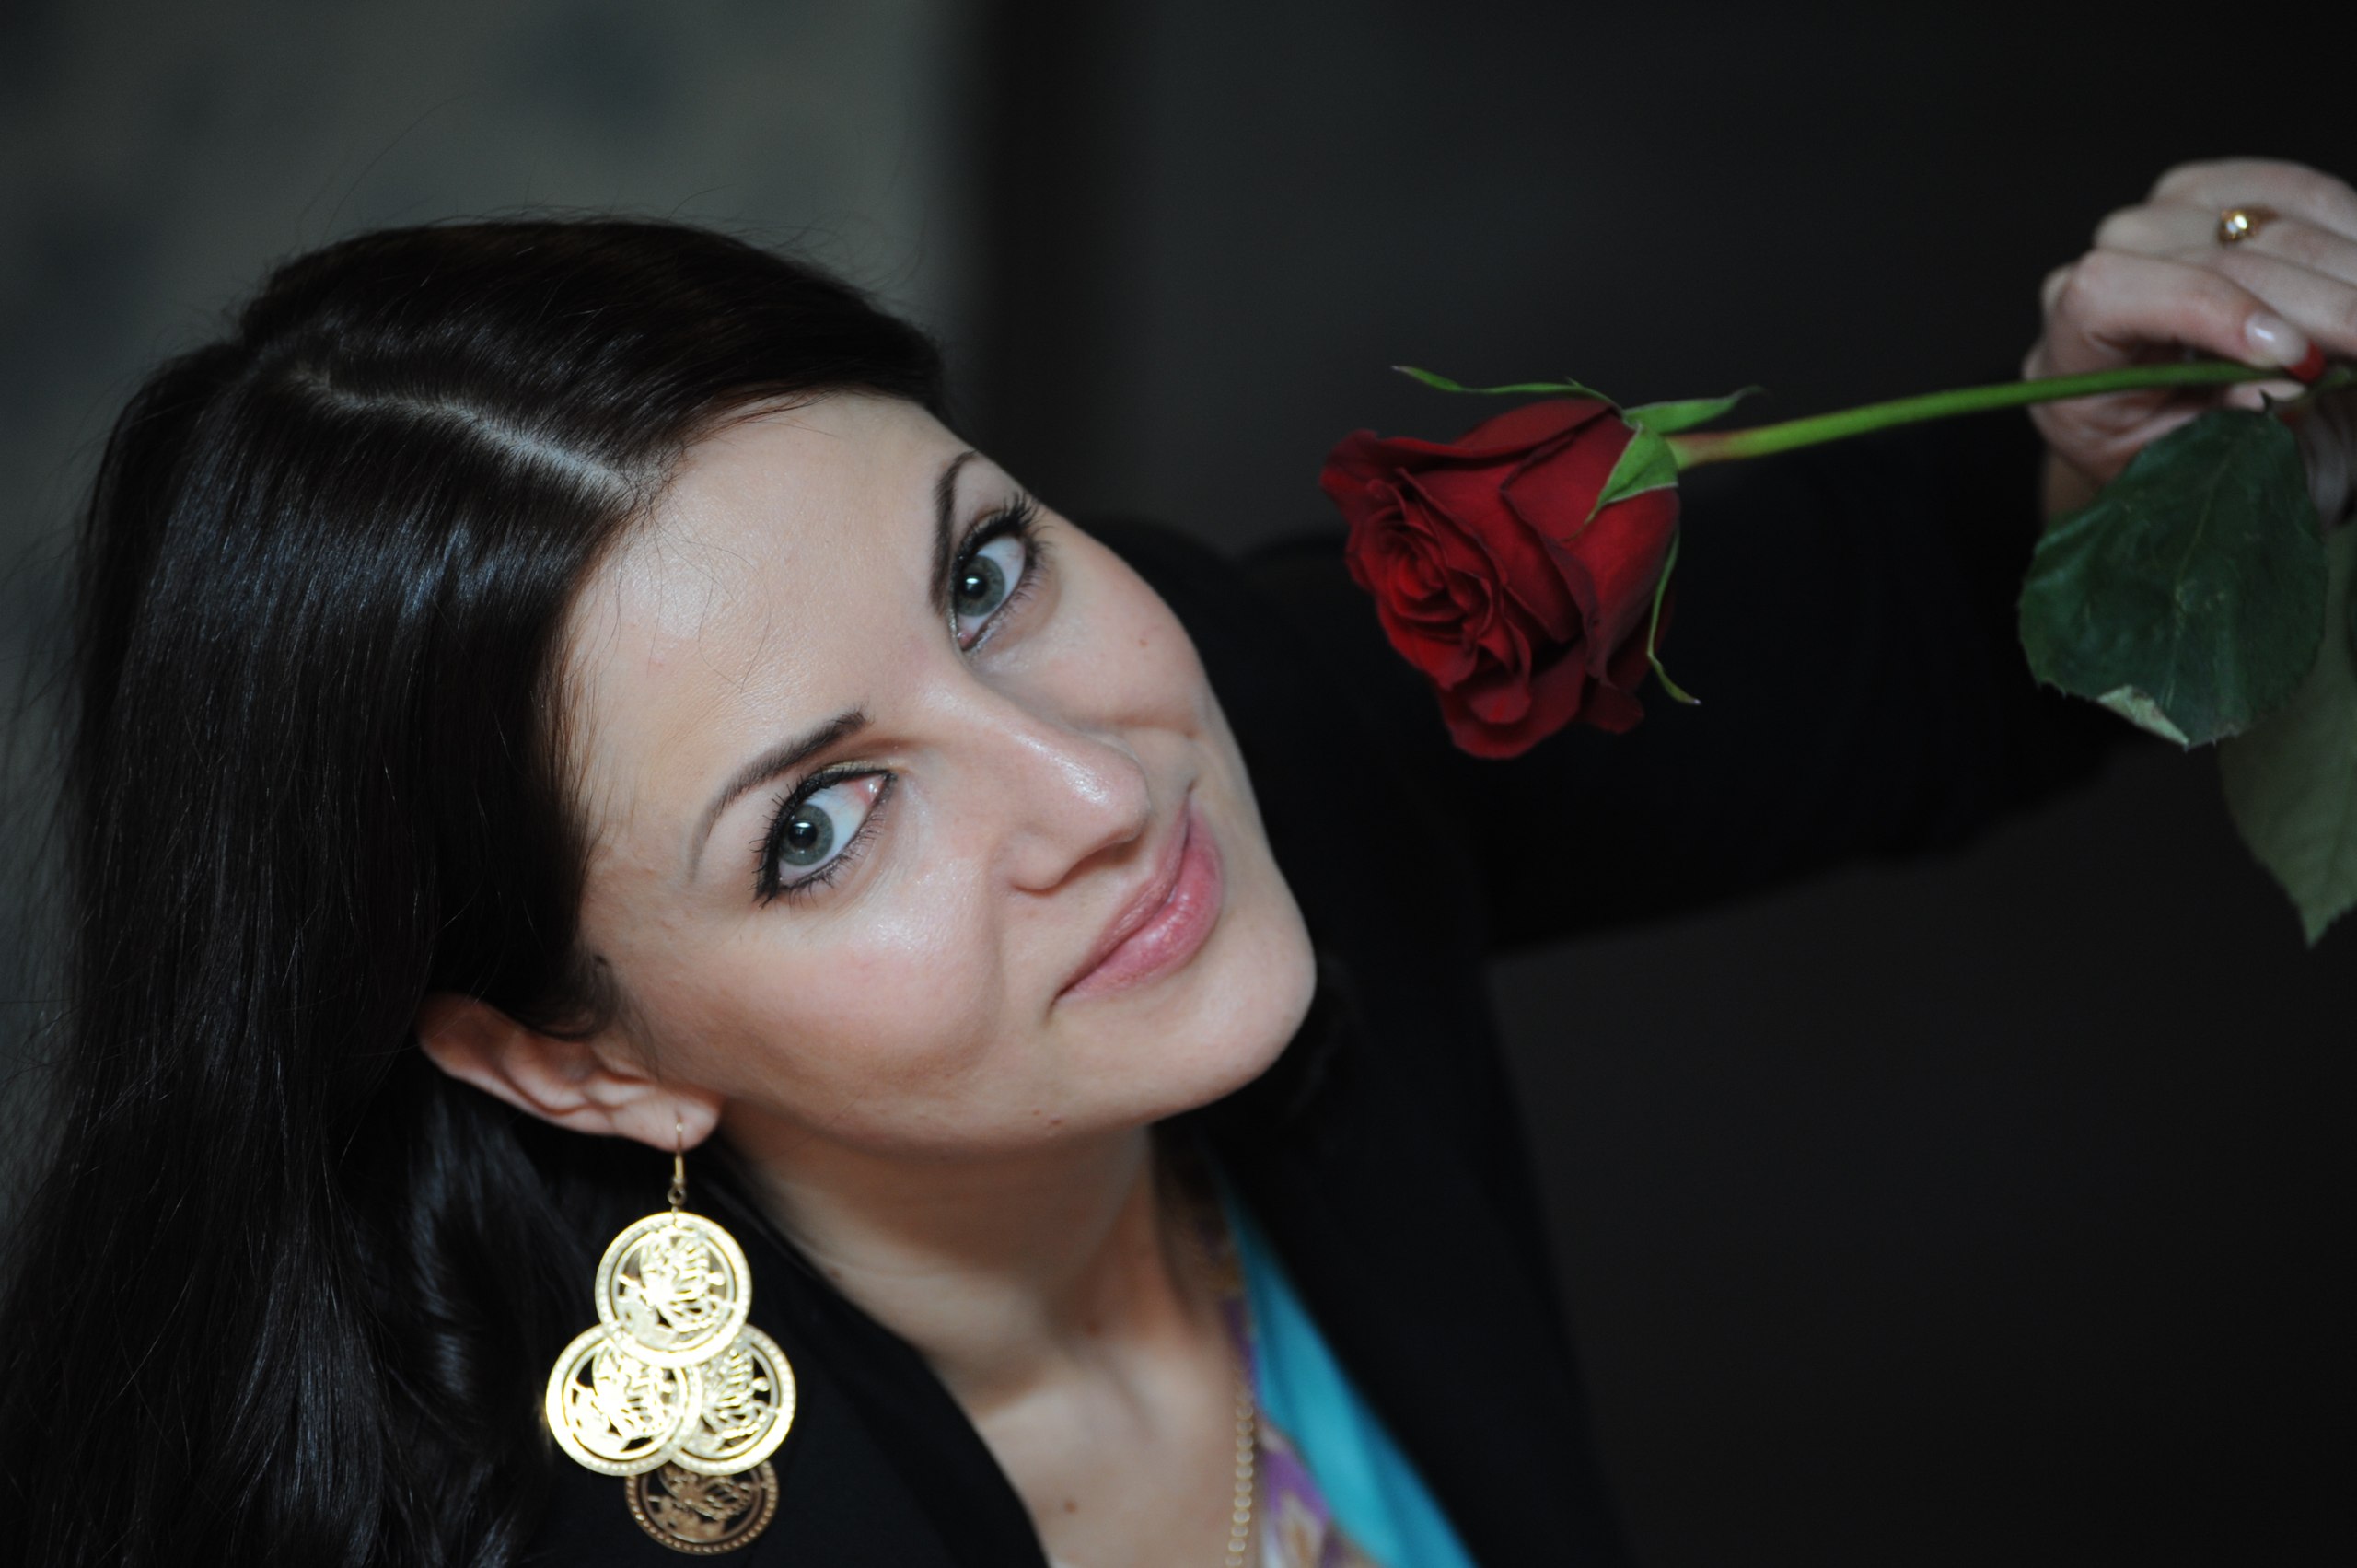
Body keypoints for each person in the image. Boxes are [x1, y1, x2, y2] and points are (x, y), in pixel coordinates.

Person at [0, 157, 2350, 1568]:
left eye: (982, 571)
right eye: (817, 823)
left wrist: (2159, 429)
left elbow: (1937, 625)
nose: (1092, 788)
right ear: (568, 1058)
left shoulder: (1232, 726)